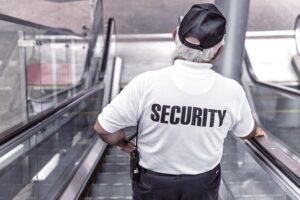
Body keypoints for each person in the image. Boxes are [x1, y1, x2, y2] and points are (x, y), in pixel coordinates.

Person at [94, 3, 267, 200]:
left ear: (174, 36)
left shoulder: (146, 83)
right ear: (219, 52)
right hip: (202, 184)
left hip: (152, 183)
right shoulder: (232, 92)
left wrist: (124, 144)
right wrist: (257, 132)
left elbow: (102, 128)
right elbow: (246, 132)